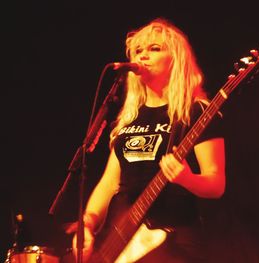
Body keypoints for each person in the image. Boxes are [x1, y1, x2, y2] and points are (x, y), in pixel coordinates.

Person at [66, 17, 226, 263]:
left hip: (174, 240)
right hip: (125, 242)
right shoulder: (128, 119)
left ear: (176, 60)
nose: (142, 56)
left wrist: (187, 179)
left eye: (155, 49)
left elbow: (216, 183)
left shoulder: (195, 112)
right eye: (138, 50)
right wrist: (87, 223)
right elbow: (110, 182)